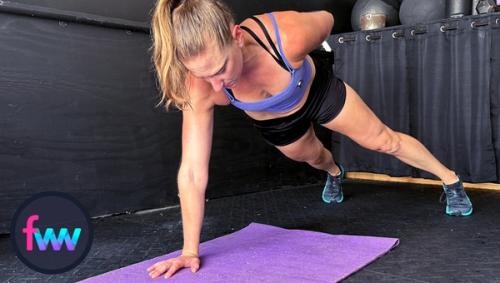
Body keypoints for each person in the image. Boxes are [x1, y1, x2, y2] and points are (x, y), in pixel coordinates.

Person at [147, 0, 473, 279]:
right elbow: (191, 171)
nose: (216, 86)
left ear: (236, 35)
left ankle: (450, 181)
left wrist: (313, 52)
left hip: (318, 93)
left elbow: (328, 20)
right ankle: (334, 174)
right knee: (314, 157)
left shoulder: (288, 34)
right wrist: (190, 250)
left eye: (219, 70)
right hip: (278, 122)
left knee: (382, 140)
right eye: (205, 76)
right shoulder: (200, 85)